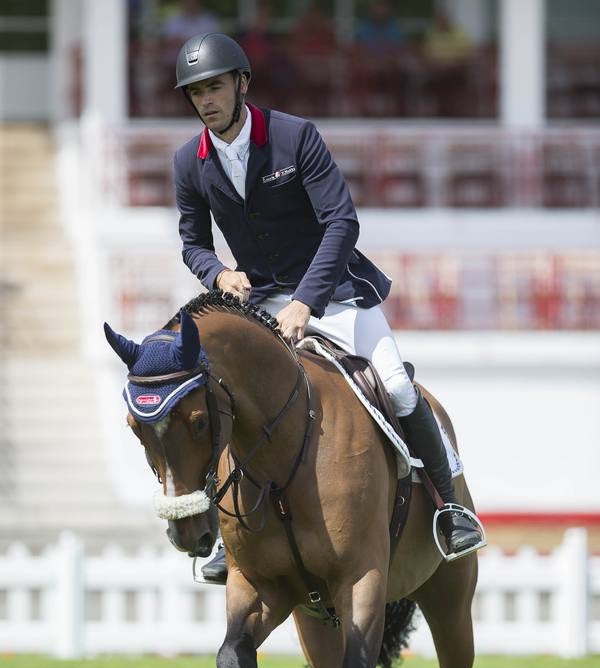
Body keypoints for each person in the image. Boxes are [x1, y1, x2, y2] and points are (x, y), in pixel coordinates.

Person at [172, 32, 485, 582]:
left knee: (396, 384)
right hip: (259, 303)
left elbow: (342, 222)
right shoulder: (189, 162)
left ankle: (450, 508)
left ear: (242, 83)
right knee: (230, 399)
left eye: (215, 86)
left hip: (335, 291)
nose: (206, 100)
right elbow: (192, 242)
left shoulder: (295, 137)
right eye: (196, 92)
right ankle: (231, 531)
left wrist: (305, 302)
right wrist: (218, 273)